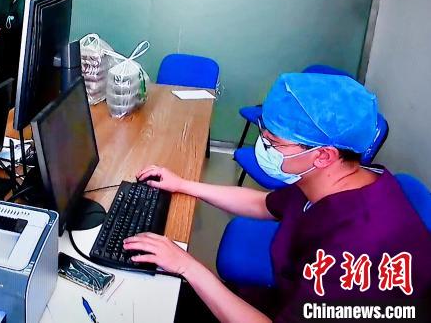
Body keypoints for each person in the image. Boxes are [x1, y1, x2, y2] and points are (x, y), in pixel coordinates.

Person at [125, 73, 431, 322]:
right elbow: (263, 204)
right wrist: (183, 184)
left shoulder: (355, 251)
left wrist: (188, 266)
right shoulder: (335, 178)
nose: (263, 147)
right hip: (287, 297)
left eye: (274, 143)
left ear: (324, 155)